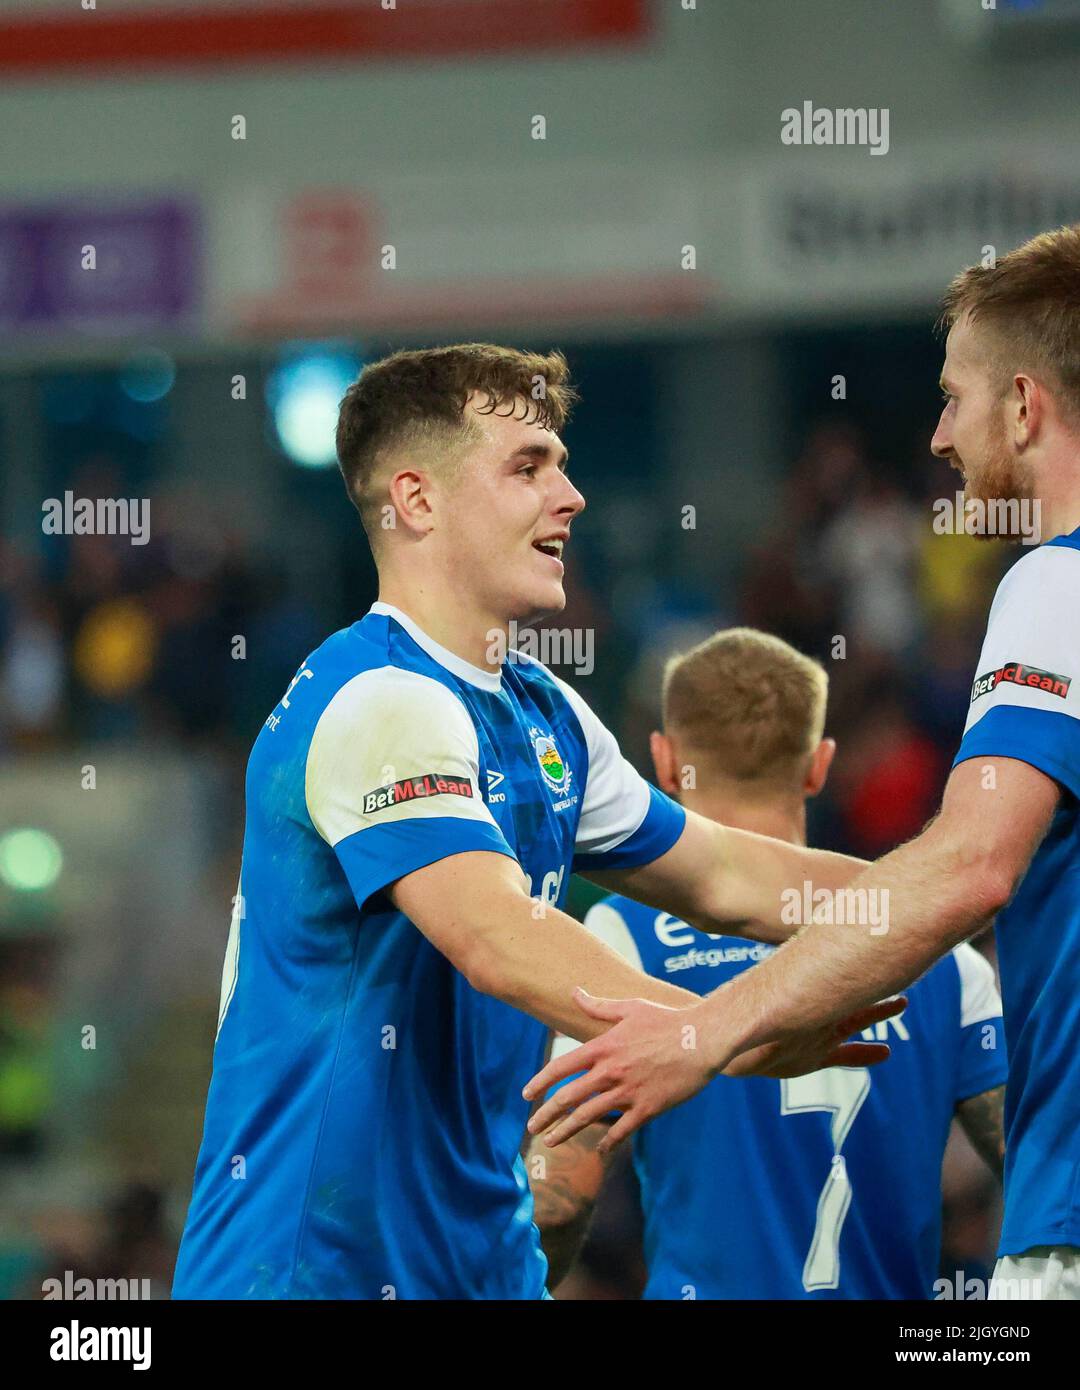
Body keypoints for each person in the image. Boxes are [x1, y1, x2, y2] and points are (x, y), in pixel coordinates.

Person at [171, 344, 897, 1300]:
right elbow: (498, 937)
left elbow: (723, 876)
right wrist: (731, 1032)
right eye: (528, 466)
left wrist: (950, 889)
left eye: (560, 462)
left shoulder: (542, 711)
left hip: (484, 1271)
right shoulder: (378, 702)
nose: (573, 496)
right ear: (417, 502)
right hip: (307, 1273)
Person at [526, 225, 1080, 1301]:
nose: (936, 434)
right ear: (818, 763)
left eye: (954, 397)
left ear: (1023, 404)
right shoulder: (947, 973)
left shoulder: (1057, 587)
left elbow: (972, 866)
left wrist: (702, 1030)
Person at [527, 628, 1006, 1299]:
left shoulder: (618, 937)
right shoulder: (939, 953)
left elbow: (560, 1199)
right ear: (819, 765)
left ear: (665, 764)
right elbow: (1044, 1162)